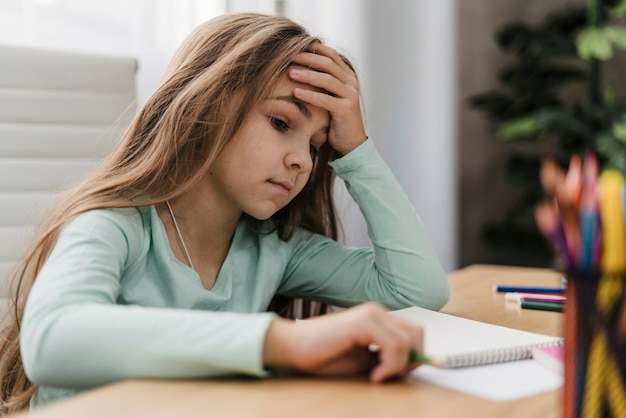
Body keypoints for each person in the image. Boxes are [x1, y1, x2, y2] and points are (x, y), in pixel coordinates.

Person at [0, 12, 449, 413]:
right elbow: (52, 339)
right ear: (206, 105)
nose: (304, 162)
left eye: (315, 147)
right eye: (280, 123)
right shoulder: (115, 224)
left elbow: (415, 287)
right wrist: (282, 342)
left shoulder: (274, 248)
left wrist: (355, 149)